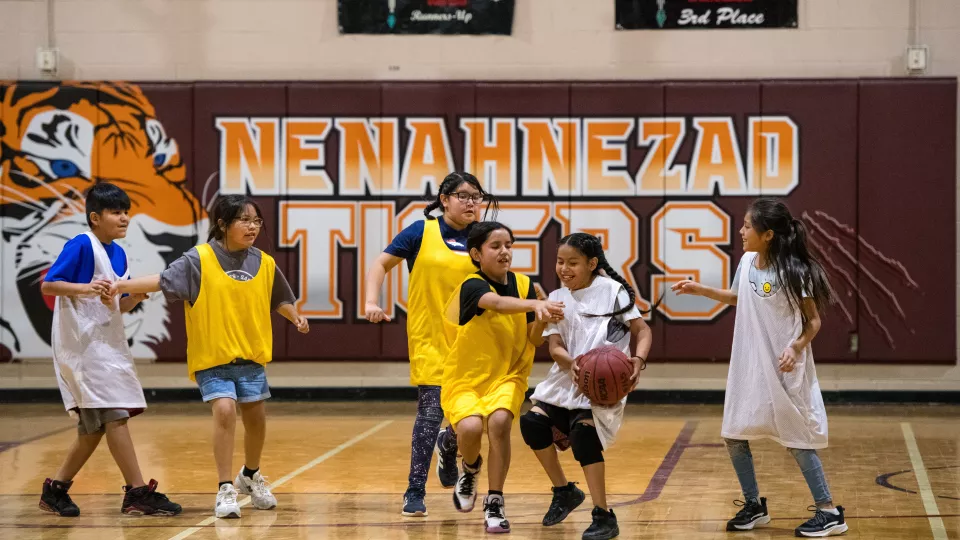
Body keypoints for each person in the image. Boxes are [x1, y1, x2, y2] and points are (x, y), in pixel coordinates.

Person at [108, 194, 309, 519]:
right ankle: (225, 487)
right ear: (222, 224)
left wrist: (295, 317)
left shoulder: (265, 262)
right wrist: (120, 286)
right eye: (244, 220)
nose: (253, 226)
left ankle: (250, 474)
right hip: (213, 358)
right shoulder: (199, 259)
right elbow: (161, 281)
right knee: (226, 411)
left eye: (257, 221)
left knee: (256, 420)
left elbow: (279, 298)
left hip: (251, 357)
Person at [672, 197, 847, 537]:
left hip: (784, 366)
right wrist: (699, 289)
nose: (741, 230)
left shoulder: (795, 272)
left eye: (748, 225)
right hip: (749, 364)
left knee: (796, 439)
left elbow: (813, 321)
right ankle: (753, 505)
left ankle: (829, 510)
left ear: (768, 234)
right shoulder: (748, 261)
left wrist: (796, 347)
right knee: (734, 434)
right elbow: (738, 297)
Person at [39, 182, 181, 517]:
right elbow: (48, 284)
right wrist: (86, 288)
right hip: (81, 347)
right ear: (94, 217)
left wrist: (137, 297)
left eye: (126, 212)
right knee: (114, 415)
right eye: (116, 212)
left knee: (94, 426)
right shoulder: (81, 245)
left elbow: (119, 306)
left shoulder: (118, 253)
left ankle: (56, 490)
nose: (124, 218)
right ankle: (135, 492)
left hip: (106, 345)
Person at [364, 172, 498, 516]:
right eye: (464, 196)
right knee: (429, 412)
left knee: (469, 418)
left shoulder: (484, 238)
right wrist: (371, 301)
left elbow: (500, 284)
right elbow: (381, 263)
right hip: (431, 339)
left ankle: (448, 443)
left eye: (476, 197)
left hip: (474, 341)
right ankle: (414, 491)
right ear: (444, 199)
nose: (471, 202)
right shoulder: (420, 232)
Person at [520, 232, 652, 540]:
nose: (564, 269)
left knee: (583, 435)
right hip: (568, 377)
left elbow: (642, 331)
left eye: (573, 263)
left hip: (602, 383)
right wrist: (571, 364)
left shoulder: (613, 292)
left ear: (592, 264)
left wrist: (638, 360)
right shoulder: (557, 297)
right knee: (531, 423)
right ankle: (564, 490)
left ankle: (603, 515)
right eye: (560, 262)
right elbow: (553, 347)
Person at [442, 221, 565, 534]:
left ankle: (494, 500)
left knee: (498, 423)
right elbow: (496, 303)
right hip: (465, 376)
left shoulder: (524, 285)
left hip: (508, 374)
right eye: (495, 246)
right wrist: (536, 303)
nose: (504, 252)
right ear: (476, 254)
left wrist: (542, 318)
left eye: (508, 245)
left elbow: (534, 340)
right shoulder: (472, 285)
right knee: (469, 428)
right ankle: (469, 467)